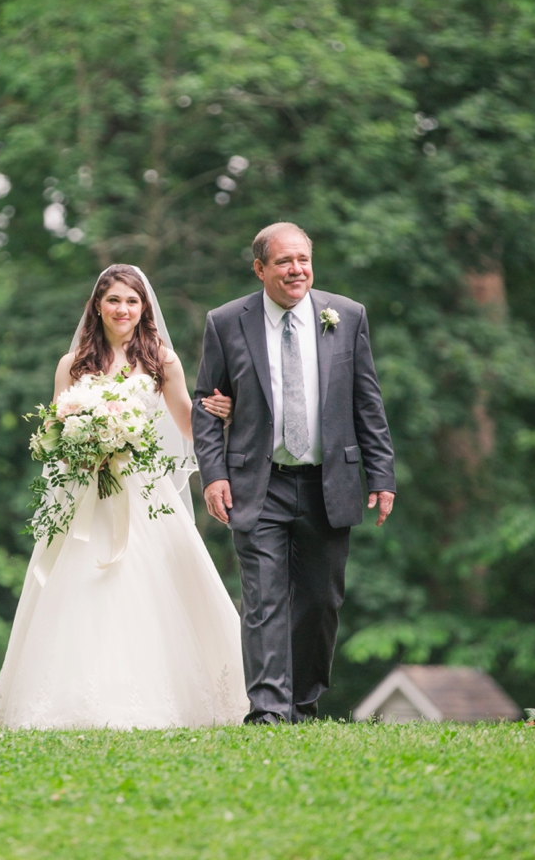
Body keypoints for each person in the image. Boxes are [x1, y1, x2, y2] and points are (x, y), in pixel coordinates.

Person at [0, 264, 249, 730]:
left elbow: (187, 425)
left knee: (155, 586)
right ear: (98, 306)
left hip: (145, 493)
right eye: (114, 301)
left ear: (143, 306)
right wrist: (81, 440)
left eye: (132, 300)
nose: (123, 309)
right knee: (81, 589)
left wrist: (219, 413)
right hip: (88, 494)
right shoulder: (73, 365)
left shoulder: (161, 360)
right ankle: (72, 705)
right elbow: (52, 430)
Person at [192, 223, 396, 725]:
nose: (296, 269)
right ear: (260, 268)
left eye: (302, 259)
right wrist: (213, 473)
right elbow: (205, 403)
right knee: (264, 601)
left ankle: (302, 706)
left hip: (330, 482)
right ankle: (267, 712)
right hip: (258, 483)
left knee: (320, 602)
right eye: (283, 262)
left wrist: (382, 474)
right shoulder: (225, 322)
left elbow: (366, 400)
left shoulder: (346, 316)